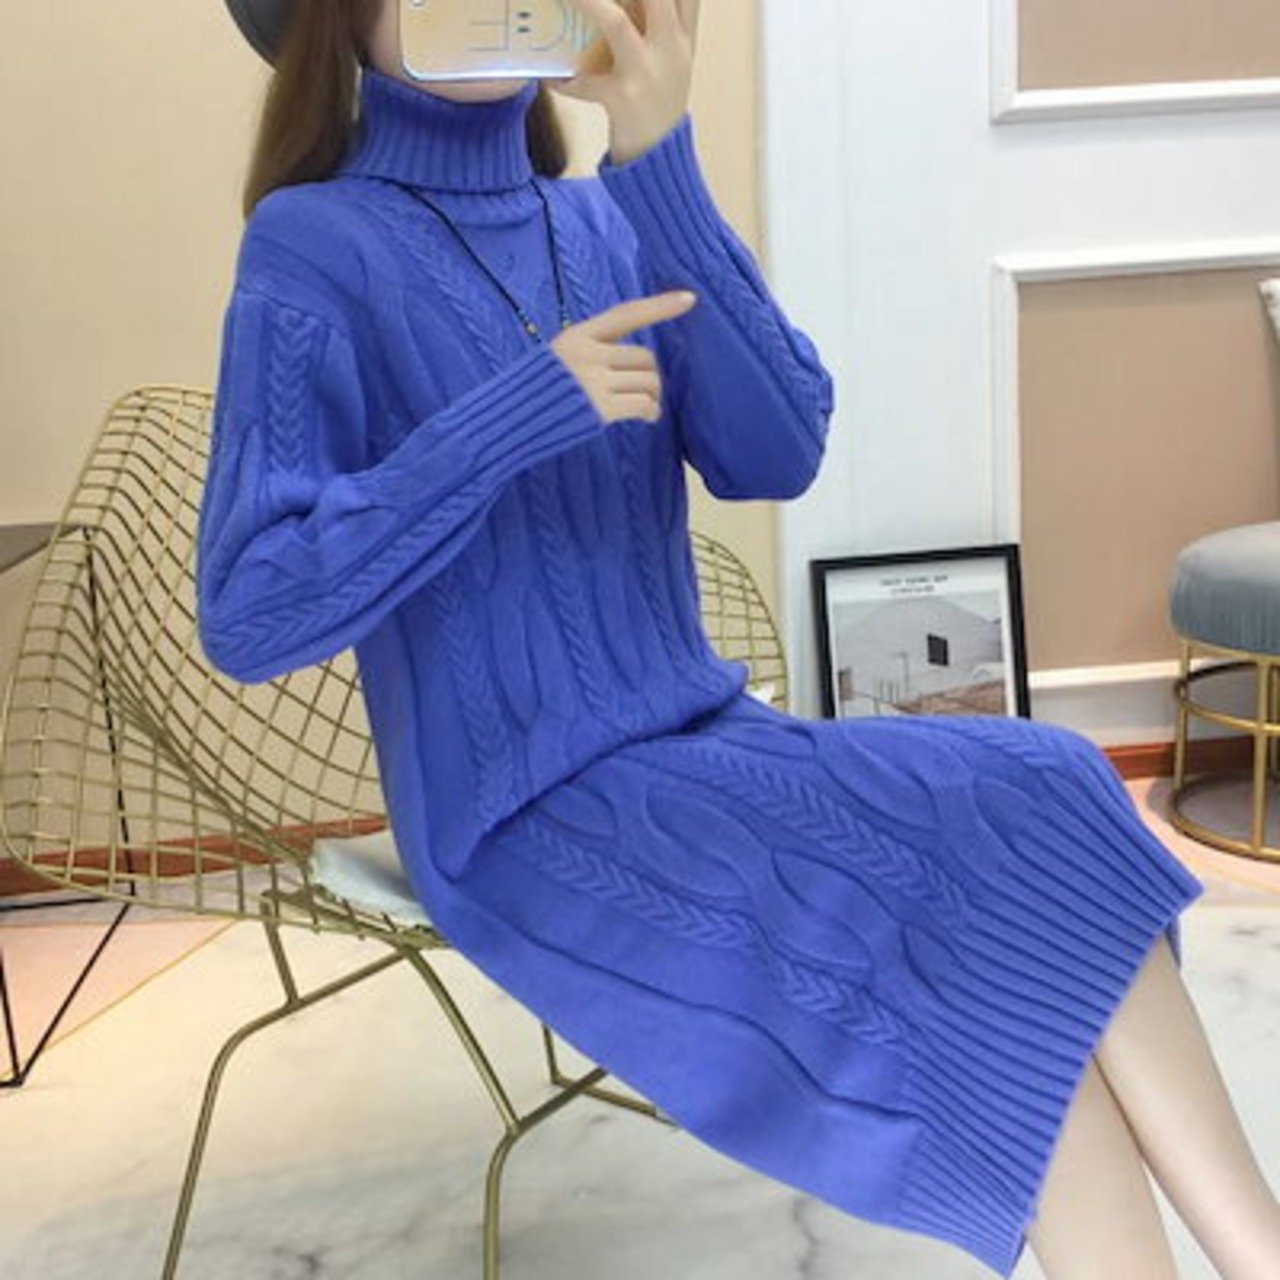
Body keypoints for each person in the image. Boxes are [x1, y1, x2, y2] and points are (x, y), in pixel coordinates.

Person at [200, 1, 1280, 1275]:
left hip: (699, 733)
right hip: (517, 810)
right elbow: (252, 606)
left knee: (1045, 789)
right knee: (987, 965)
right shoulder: (313, 245)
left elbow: (777, 449)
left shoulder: (604, 218)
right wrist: (505, 420)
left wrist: (656, 157)